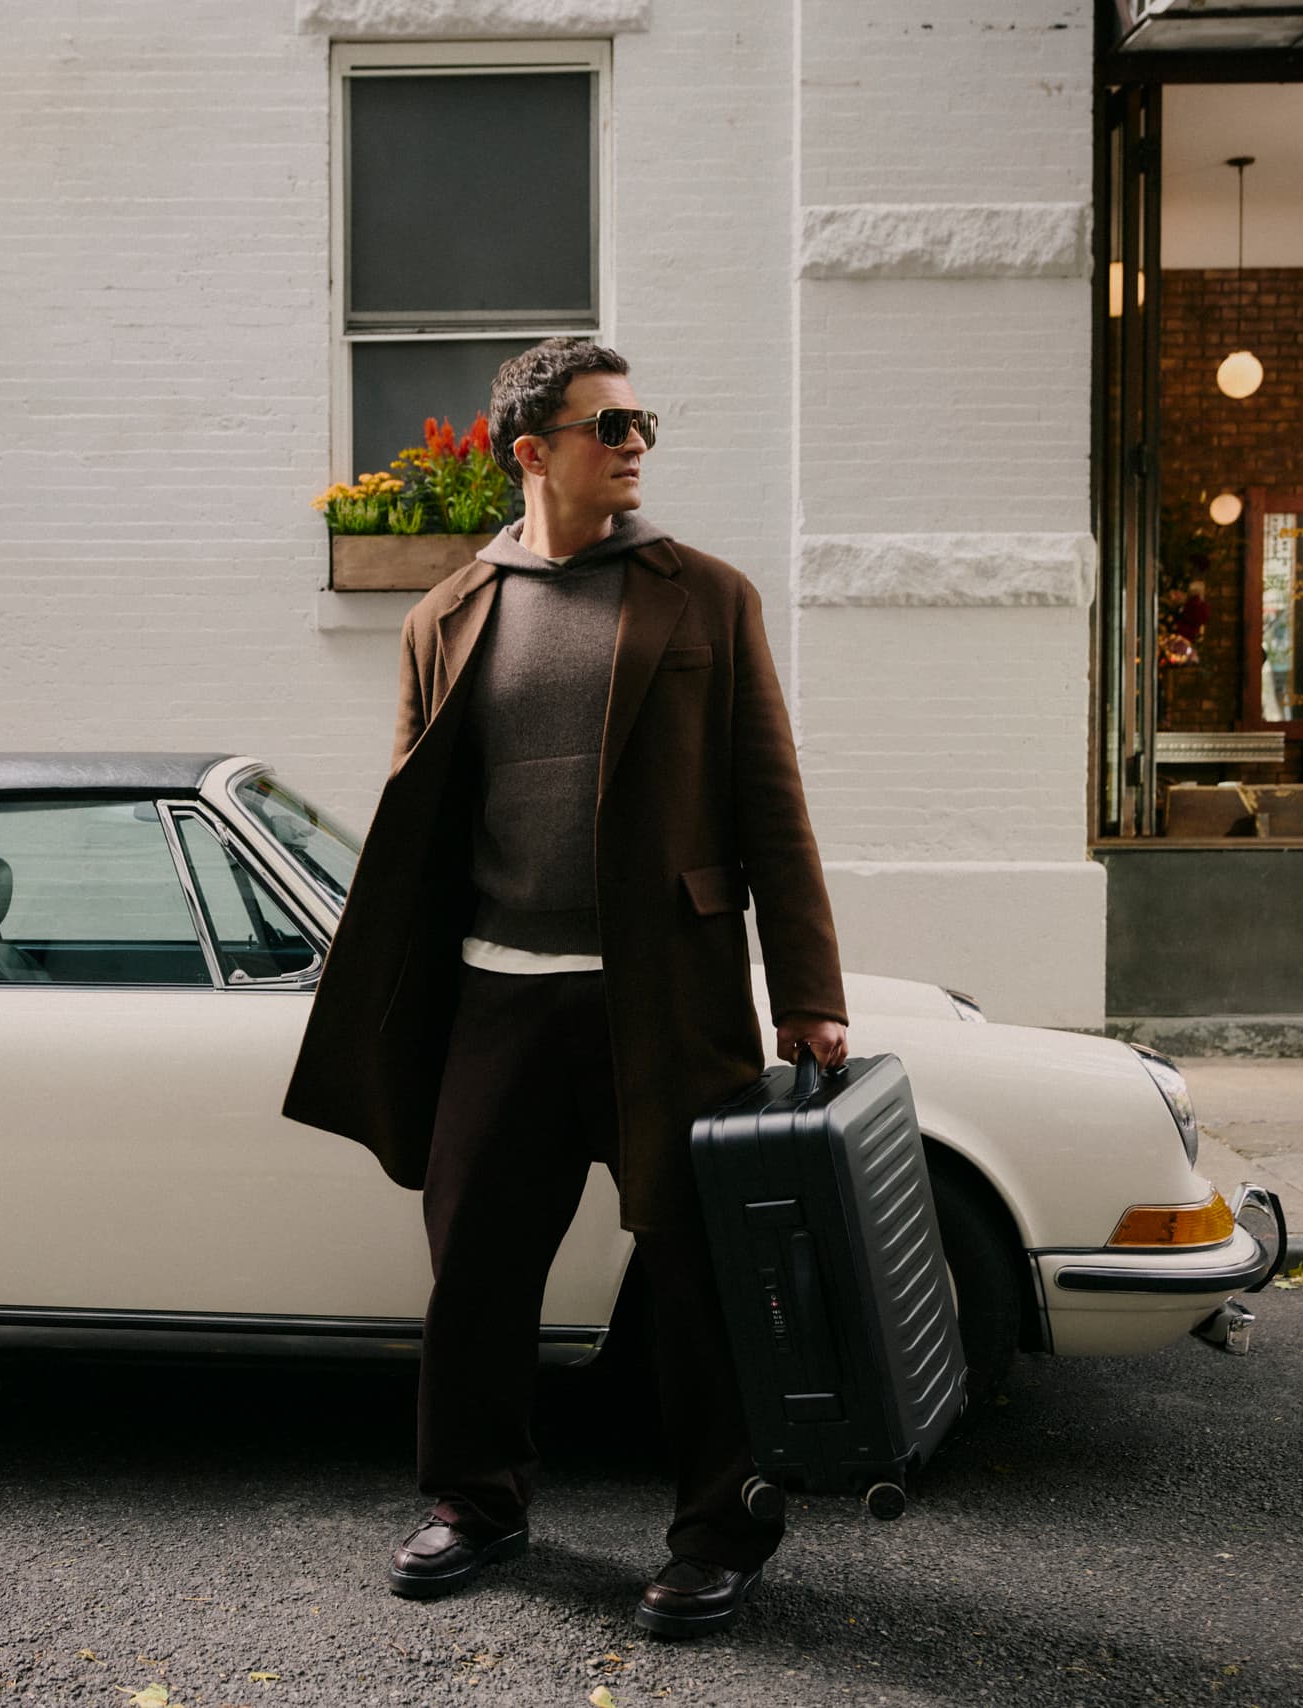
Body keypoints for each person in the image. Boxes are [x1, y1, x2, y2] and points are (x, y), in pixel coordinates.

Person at [280, 337, 850, 1637]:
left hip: (668, 1006)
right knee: (474, 1271)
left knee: (697, 1283)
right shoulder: (448, 614)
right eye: (610, 425)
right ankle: (475, 1505)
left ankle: (723, 1529)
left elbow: (772, 801)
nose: (637, 441)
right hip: (497, 1003)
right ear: (532, 451)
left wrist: (806, 985)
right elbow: (419, 829)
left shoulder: (703, 597)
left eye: (643, 420)